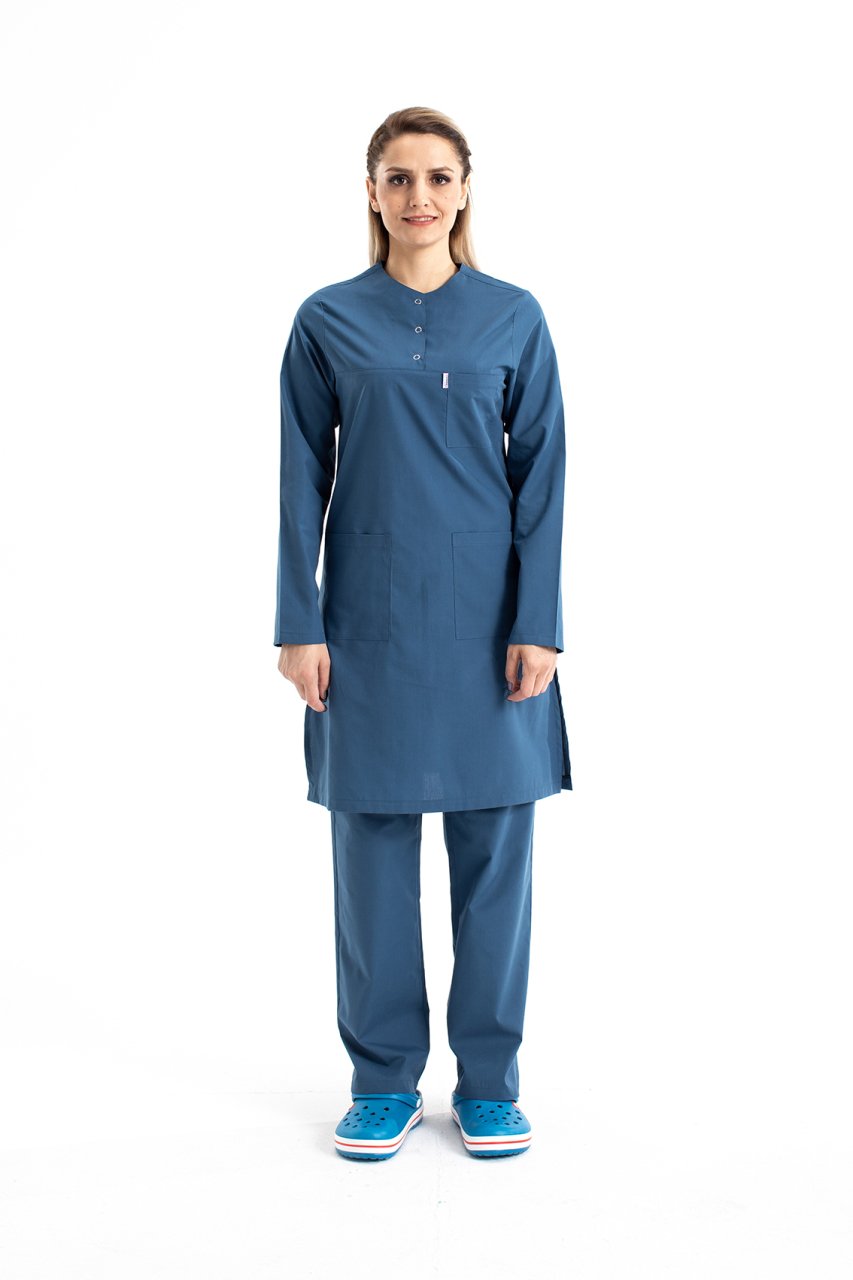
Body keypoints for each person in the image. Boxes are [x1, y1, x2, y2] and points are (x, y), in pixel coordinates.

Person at [274, 107, 572, 1161]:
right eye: (398, 178)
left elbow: (544, 479)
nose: (419, 198)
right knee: (371, 859)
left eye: (438, 177)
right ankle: (382, 1078)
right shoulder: (327, 320)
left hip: (491, 627)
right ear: (371, 192)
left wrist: (539, 624)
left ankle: (488, 1082)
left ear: (464, 190)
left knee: (495, 859)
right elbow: (299, 477)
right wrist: (297, 621)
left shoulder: (512, 317)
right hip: (365, 625)